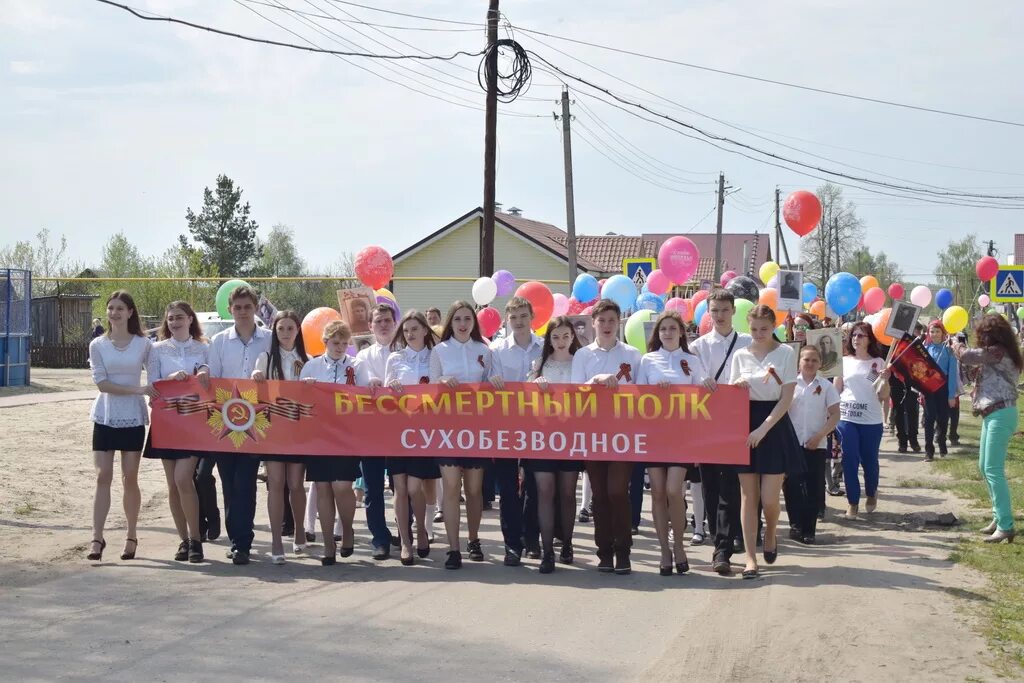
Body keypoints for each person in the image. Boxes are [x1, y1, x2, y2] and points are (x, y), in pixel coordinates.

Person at [200, 285, 272, 565]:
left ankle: (243, 542)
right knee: (228, 483)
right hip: (226, 421)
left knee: (246, 482)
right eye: (238, 307)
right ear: (230, 310)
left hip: (257, 421)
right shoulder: (219, 341)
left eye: (247, 307)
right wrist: (204, 373)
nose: (242, 312)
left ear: (255, 308)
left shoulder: (269, 339)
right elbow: (214, 377)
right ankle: (236, 537)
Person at [570, 300, 642, 575]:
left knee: (617, 491)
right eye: (602, 321)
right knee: (599, 495)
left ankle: (623, 550)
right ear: (593, 323)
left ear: (619, 323)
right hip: (593, 433)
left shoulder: (632, 354)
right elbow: (575, 392)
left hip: (623, 433)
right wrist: (596, 381)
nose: (607, 325)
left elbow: (643, 393)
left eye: (612, 320)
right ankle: (604, 551)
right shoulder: (583, 355)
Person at [729, 304, 801, 579]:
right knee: (748, 496)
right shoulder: (740, 355)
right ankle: (750, 558)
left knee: (770, 498)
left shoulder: (785, 353)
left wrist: (763, 428)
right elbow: (730, 392)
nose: (759, 333)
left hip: (774, 423)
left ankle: (770, 530)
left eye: (764, 329)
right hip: (744, 422)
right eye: (754, 329)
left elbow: (787, 397)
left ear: (773, 327)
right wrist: (737, 387)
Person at [86, 291, 155, 562]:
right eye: (111, 308)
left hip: (133, 418)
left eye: (120, 308)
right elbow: (101, 384)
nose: (114, 313)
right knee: (102, 476)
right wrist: (138, 390)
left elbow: (156, 376)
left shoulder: (144, 344)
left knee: (130, 477)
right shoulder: (97, 345)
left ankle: (131, 535)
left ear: (130, 312)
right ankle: (96, 537)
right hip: (105, 416)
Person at [636, 310, 705, 576]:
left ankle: (679, 545)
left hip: (681, 435)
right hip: (655, 434)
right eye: (663, 329)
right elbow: (637, 395)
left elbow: (702, 392)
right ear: (658, 333)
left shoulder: (692, 360)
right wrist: (654, 392)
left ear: (681, 332)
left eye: (672, 328)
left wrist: (707, 384)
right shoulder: (648, 360)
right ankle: (664, 550)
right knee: (657, 493)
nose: (667, 333)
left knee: (674, 491)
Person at [142, 301, 208, 563]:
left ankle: (196, 539)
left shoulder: (204, 348)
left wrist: (204, 371)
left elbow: (213, 381)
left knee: (183, 479)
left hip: (194, 423)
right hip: (166, 421)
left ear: (190, 319)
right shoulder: (156, 349)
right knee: (172, 485)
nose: (175, 322)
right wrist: (170, 379)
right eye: (170, 318)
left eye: (179, 317)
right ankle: (184, 540)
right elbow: (152, 385)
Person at [430, 300, 493, 570]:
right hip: (447, 428)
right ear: (450, 322)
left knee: (475, 490)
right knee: (452, 489)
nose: (463, 324)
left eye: (468, 318)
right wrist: (441, 382)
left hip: (477, 428)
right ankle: (453, 548)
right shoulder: (439, 351)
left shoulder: (485, 350)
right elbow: (430, 387)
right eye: (457, 319)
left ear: (474, 322)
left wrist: (494, 383)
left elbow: (491, 384)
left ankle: (474, 539)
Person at [691, 289, 750, 575]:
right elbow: (690, 380)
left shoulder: (748, 343)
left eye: (725, 310)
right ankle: (718, 535)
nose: (720, 315)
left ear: (733, 311)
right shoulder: (698, 347)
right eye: (714, 310)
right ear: (708, 312)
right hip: (707, 423)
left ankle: (724, 547)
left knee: (731, 485)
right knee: (710, 485)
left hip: (738, 422)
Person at [299, 320, 368, 565]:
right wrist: (307, 388)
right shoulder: (311, 366)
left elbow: (366, 395)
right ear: (325, 342)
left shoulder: (357, 365)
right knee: (323, 488)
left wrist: (372, 385)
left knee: (342, 487)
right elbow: (301, 400)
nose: (339, 347)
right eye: (335, 342)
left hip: (346, 435)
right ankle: (328, 543)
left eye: (344, 343)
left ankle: (347, 529)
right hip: (319, 436)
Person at [953, 314, 1022, 544]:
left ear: (993, 335)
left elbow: (967, 355)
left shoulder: (998, 352)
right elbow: (970, 369)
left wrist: (957, 344)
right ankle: (998, 516)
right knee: (985, 467)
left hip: (1001, 414)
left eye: (983, 334)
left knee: (993, 469)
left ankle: (1005, 525)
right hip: (994, 414)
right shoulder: (998, 353)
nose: (980, 338)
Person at [487, 296, 544, 567]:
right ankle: (512, 545)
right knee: (508, 488)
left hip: (538, 425)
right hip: (506, 425)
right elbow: (489, 383)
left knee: (533, 486)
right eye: (513, 317)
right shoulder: (497, 350)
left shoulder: (544, 347)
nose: (519, 322)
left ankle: (531, 539)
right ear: (507, 321)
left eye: (523, 316)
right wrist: (493, 381)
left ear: (532, 317)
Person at [252, 310, 310, 564]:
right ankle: (276, 540)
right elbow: (254, 385)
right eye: (281, 328)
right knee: (275, 483)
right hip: (272, 429)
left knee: (296, 484)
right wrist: (256, 377)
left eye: (290, 328)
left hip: (298, 430)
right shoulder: (265, 358)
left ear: (298, 331)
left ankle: (300, 530)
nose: (286, 333)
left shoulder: (307, 360)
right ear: (274, 332)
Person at [385, 310, 442, 565]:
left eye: (415, 329)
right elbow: (385, 393)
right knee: (400, 489)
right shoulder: (395, 358)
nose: (410, 334)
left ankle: (421, 529)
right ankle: (405, 541)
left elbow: (441, 387)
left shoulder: (435, 356)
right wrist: (391, 388)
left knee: (414, 487)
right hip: (398, 428)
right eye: (406, 330)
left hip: (425, 430)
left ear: (425, 330)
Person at [528, 315, 584, 573]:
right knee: (545, 491)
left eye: (565, 336)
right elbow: (524, 397)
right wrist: (535, 385)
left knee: (568, 492)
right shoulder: (539, 364)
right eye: (555, 336)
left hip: (571, 435)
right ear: (548, 339)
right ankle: (547, 550)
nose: (561, 341)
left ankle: (567, 543)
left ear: (572, 337)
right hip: (543, 436)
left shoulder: (581, 362)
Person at [356, 304, 400, 560]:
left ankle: (404, 532)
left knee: (401, 486)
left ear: (394, 323)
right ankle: (380, 539)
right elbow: (355, 387)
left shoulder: (405, 352)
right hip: (370, 430)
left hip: (400, 430)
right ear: (370, 326)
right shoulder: (362, 357)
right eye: (378, 321)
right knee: (373, 489)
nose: (383, 325)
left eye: (387, 320)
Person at [834, 322, 890, 520]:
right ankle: (853, 502)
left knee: (869, 461)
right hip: (846, 419)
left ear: (869, 340)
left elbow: (883, 395)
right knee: (849, 460)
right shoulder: (843, 361)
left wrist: (885, 379)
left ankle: (872, 492)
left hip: (871, 421)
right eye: (854, 335)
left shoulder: (878, 363)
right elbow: (836, 390)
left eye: (861, 335)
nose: (856, 339)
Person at [785, 345, 841, 544]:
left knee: (813, 487)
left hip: (816, 445)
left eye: (814, 360)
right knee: (792, 486)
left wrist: (819, 436)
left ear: (820, 363)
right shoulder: (790, 384)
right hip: (792, 445)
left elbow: (835, 415)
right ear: (799, 362)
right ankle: (795, 525)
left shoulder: (826, 386)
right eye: (806, 359)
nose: (809, 363)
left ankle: (809, 530)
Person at [922, 321, 959, 460]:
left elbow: (952, 374)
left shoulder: (949, 350)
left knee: (943, 419)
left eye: (937, 331)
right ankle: (929, 451)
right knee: (929, 419)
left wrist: (951, 395)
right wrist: (921, 389)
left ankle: (942, 445)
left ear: (943, 333)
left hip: (944, 388)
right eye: (932, 331)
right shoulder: (924, 349)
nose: (935, 334)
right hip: (929, 389)